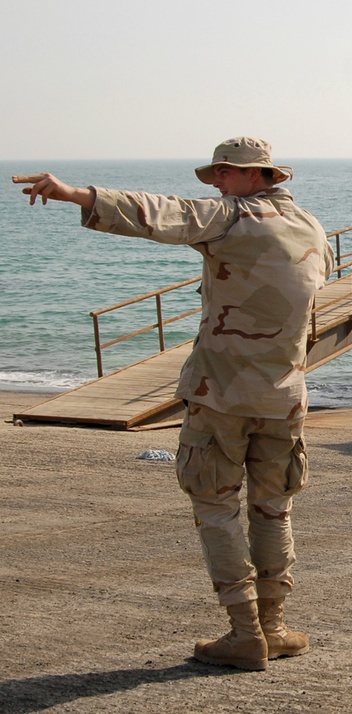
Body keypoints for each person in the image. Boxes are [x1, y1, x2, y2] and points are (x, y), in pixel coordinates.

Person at [12, 137, 335, 671]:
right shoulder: (311, 225)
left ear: (251, 176)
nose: (214, 184)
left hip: (221, 395)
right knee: (274, 509)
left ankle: (244, 634)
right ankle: (275, 627)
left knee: (216, 506)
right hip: (285, 397)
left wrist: (75, 194)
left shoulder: (231, 217)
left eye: (222, 175)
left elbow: (164, 214)